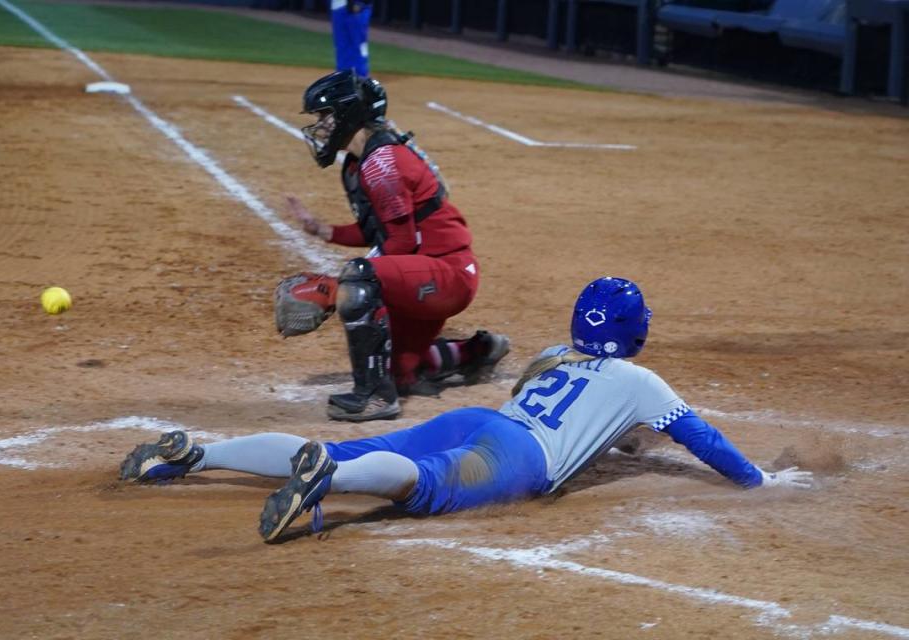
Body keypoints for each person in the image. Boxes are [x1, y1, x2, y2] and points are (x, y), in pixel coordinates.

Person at [120, 276, 814, 544]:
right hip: (517, 456)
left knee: (392, 451)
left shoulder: (553, 355)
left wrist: (616, 442)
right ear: (633, 332)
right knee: (428, 485)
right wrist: (759, 481)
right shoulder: (643, 382)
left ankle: (193, 456)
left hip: (486, 421)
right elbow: (703, 439)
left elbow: (562, 406)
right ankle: (324, 475)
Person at [281, 69, 509, 422]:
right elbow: (381, 233)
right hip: (427, 274)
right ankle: (478, 350)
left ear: (348, 114)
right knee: (402, 371)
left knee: (359, 279)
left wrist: (339, 287)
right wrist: (323, 230)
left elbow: (400, 243)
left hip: (446, 275)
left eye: (325, 116)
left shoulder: (382, 164)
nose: (320, 126)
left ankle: (374, 397)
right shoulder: (361, 163)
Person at [331, 0, 372, 78]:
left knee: (357, 46)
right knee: (341, 47)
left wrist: (359, 2)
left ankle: (361, 77)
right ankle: (342, 78)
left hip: (355, 7)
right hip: (338, 6)